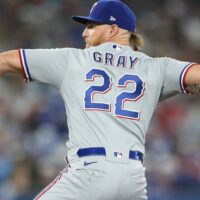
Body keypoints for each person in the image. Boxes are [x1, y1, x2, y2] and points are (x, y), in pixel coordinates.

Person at [0, 0, 200, 199]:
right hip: (133, 178)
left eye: (91, 26)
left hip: (89, 171)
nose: (84, 33)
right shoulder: (158, 67)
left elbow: (6, 61)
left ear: (113, 29)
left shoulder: (73, 60)